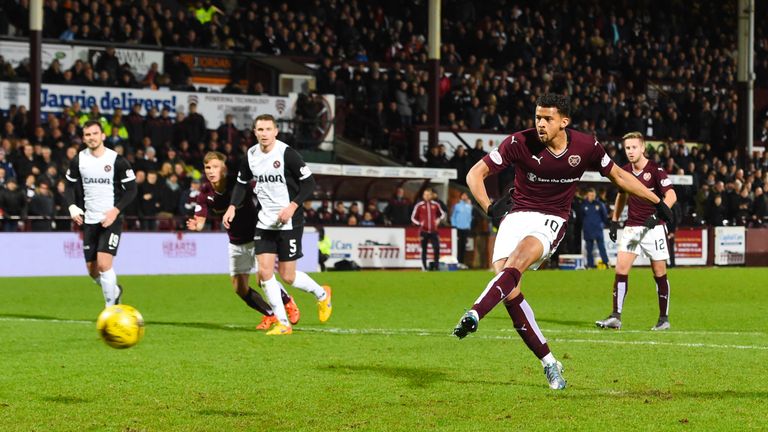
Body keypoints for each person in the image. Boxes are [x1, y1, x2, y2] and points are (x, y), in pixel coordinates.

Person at [452, 95, 673, 390]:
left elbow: (619, 177)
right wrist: (489, 207)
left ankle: (475, 313)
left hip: (551, 219)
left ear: (564, 122)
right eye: (537, 118)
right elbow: (474, 174)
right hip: (515, 215)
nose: (540, 124)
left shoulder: (587, 146)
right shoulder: (519, 142)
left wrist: (657, 201)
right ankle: (549, 363)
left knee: (517, 262)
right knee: (508, 288)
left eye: (547, 119)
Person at [223, 114, 332, 336]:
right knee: (264, 272)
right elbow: (241, 184)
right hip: (265, 222)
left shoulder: (287, 154)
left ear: (275, 132)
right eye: (260, 130)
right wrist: (232, 206)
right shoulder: (251, 155)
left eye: (267, 129)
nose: (264, 133)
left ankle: (322, 294)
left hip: (289, 220)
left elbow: (309, 183)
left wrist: (292, 206)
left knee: (288, 276)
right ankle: (283, 323)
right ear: (255, 132)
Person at [186, 151, 300, 330]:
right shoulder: (205, 193)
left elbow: (262, 189)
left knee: (263, 277)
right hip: (235, 242)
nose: (211, 171)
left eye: (215, 166)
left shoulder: (237, 184)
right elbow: (200, 221)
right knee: (239, 288)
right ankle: (269, 314)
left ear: (224, 169)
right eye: (208, 167)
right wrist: (196, 225)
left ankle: (288, 302)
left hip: (256, 235)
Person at [596, 132, 677, 331]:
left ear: (642, 148)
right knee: (620, 269)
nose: (630, 151)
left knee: (659, 273)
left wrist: (658, 214)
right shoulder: (624, 171)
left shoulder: (655, 170)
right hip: (632, 228)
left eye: (634, 147)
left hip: (654, 229)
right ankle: (616, 317)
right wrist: (614, 221)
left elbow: (671, 195)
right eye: (627, 148)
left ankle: (663, 319)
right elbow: (621, 195)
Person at [63, 120, 137, 307]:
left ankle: (110, 308)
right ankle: (116, 290)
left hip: (110, 220)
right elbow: (69, 186)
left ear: (102, 136)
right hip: (90, 220)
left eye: (95, 133)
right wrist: (72, 206)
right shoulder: (79, 160)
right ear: (83, 138)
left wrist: (115, 211)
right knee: (92, 271)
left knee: (104, 265)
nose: (91, 137)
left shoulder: (117, 161)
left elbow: (131, 190)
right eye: (87, 135)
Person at [411, 188, 446, 271]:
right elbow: (413, 218)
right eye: (425, 195)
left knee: (436, 248)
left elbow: (442, 214)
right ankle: (424, 267)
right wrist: (420, 223)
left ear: (431, 195)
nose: (427, 196)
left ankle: (436, 266)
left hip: (434, 231)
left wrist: (438, 220)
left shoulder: (436, 205)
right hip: (424, 231)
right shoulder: (419, 205)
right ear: (423, 196)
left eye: (428, 195)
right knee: (424, 249)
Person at [580, 187, 610, 268]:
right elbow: (581, 217)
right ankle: (590, 265)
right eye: (590, 195)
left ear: (595, 195)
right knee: (589, 249)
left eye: (593, 195)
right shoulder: (583, 205)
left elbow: (604, 216)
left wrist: (602, 224)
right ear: (587, 195)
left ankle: (606, 263)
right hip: (588, 230)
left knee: (602, 247)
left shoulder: (599, 204)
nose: (592, 196)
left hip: (598, 230)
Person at [451, 192, 473, 265]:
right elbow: (453, 216)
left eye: (466, 195)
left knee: (464, 246)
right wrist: (454, 226)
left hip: (466, 228)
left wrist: (469, 226)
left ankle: (462, 262)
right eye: (463, 195)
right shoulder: (457, 206)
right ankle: (457, 261)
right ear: (461, 197)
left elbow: (470, 217)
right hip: (458, 228)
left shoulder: (469, 206)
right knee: (458, 245)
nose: (464, 196)